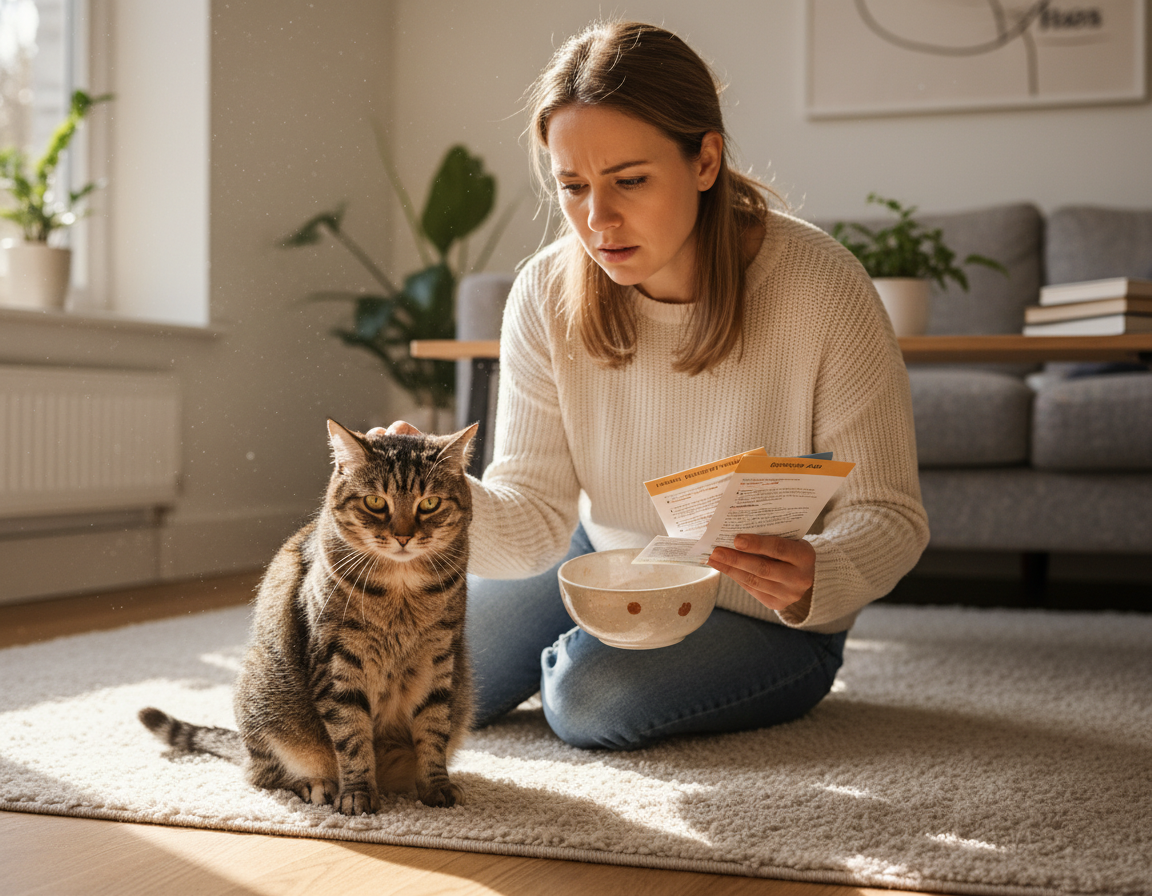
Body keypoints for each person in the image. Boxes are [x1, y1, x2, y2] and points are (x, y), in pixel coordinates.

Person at [389, 20, 929, 750]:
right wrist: (438, 497)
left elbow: (889, 514)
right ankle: (581, 641)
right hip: (602, 556)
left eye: (630, 180)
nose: (597, 220)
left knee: (588, 700)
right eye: (572, 187)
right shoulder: (545, 292)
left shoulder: (822, 286)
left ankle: (579, 660)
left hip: (761, 610)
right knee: (405, 683)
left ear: (705, 160)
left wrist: (818, 573)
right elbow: (534, 517)